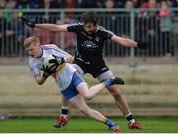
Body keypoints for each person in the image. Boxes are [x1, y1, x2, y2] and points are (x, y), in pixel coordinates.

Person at [21, 11, 150, 129]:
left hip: (98, 65)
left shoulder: (103, 32)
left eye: (90, 26)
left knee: (116, 91)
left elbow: (121, 41)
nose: (87, 29)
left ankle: (131, 121)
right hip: (80, 62)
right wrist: (35, 25)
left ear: (95, 25)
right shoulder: (79, 27)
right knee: (67, 79)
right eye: (85, 26)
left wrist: (137, 45)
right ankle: (64, 116)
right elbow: (56, 28)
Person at [23, 36, 125, 131]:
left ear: (38, 45)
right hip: (63, 86)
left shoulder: (50, 48)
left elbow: (71, 58)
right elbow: (38, 81)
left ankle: (109, 81)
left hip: (72, 74)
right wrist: (45, 75)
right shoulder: (32, 62)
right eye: (28, 51)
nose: (30, 53)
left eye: (31, 49)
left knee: (88, 96)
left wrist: (60, 60)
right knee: (83, 109)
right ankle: (112, 124)